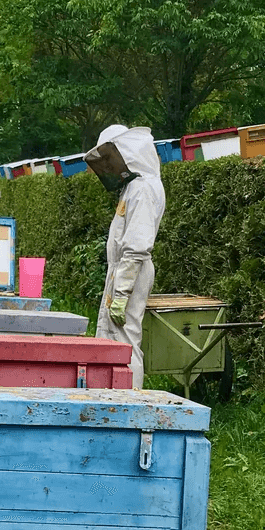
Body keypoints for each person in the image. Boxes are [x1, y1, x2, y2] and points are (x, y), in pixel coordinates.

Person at [86, 125, 166, 389]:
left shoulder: (143, 188)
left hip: (132, 270)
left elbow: (137, 246)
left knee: (125, 340)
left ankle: (130, 399)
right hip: (125, 270)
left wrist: (122, 293)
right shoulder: (135, 187)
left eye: (111, 157)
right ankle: (112, 397)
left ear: (128, 151)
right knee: (112, 337)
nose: (109, 166)